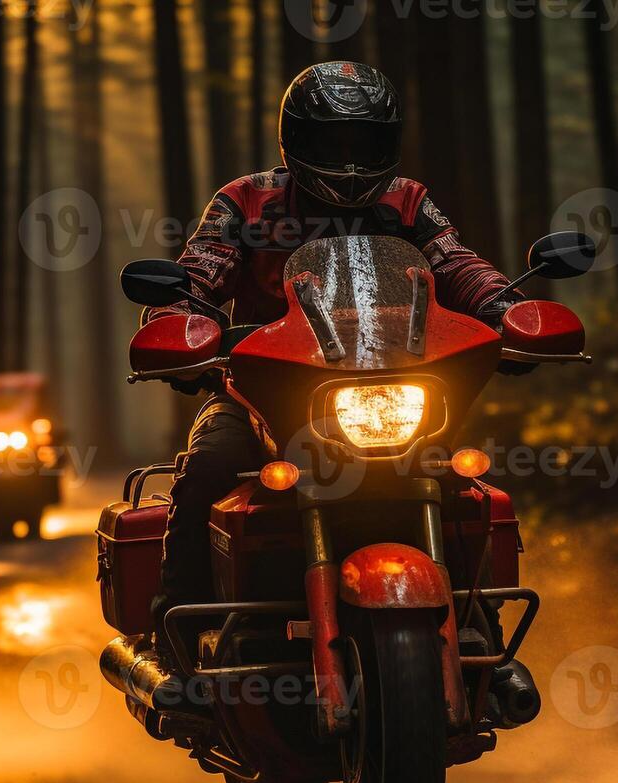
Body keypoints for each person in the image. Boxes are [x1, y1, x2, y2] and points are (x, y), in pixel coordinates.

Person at [143, 61, 522, 662]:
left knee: (461, 487)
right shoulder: (246, 201)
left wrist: (508, 308)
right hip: (261, 392)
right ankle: (176, 641)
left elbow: (455, 263)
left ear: (389, 143)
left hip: (395, 387)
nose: (349, 161)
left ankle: (482, 634)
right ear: (295, 141)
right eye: (332, 143)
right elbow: (203, 268)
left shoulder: (408, 202)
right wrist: (180, 319)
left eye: (363, 143)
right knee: (208, 467)